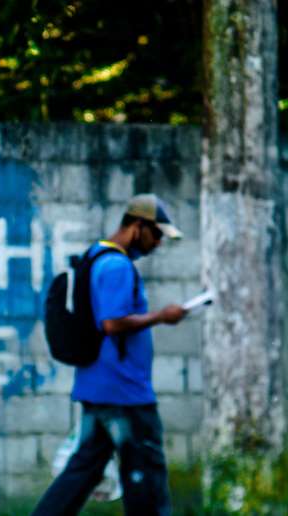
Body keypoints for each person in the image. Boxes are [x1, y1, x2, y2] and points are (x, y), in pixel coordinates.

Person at [32, 194, 187, 516]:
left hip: (98, 387)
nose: (157, 243)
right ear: (137, 227)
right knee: (146, 477)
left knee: (80, 475)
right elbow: (112, 323)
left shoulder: (95, 255)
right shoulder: (117, 265)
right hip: (124, 393)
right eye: (155, 234)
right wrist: (162, 316)